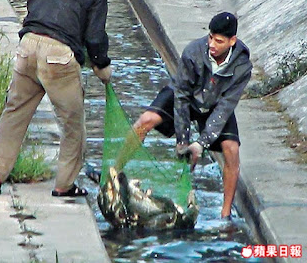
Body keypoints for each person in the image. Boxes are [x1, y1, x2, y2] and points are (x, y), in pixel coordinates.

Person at [87, 12, 252, 220]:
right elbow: (181, 97)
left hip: (216, 103)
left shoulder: (242, 66)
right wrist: (182, 141)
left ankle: (225, 214)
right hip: (187, 94)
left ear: (232, 41)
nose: (212, 44)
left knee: (232, 150)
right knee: (145, 121)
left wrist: (201, 143)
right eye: (210, 37)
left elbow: (226, 106)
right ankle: (110, 175)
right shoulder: (193, 51)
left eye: (219, 41)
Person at [0, 0, 112, 197]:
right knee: (72, 124)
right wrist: (101, 65)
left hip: (28, 45)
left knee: (14, 111)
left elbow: (33, 7)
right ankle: (64, 185)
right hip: (58, 56)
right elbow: (95, 38)